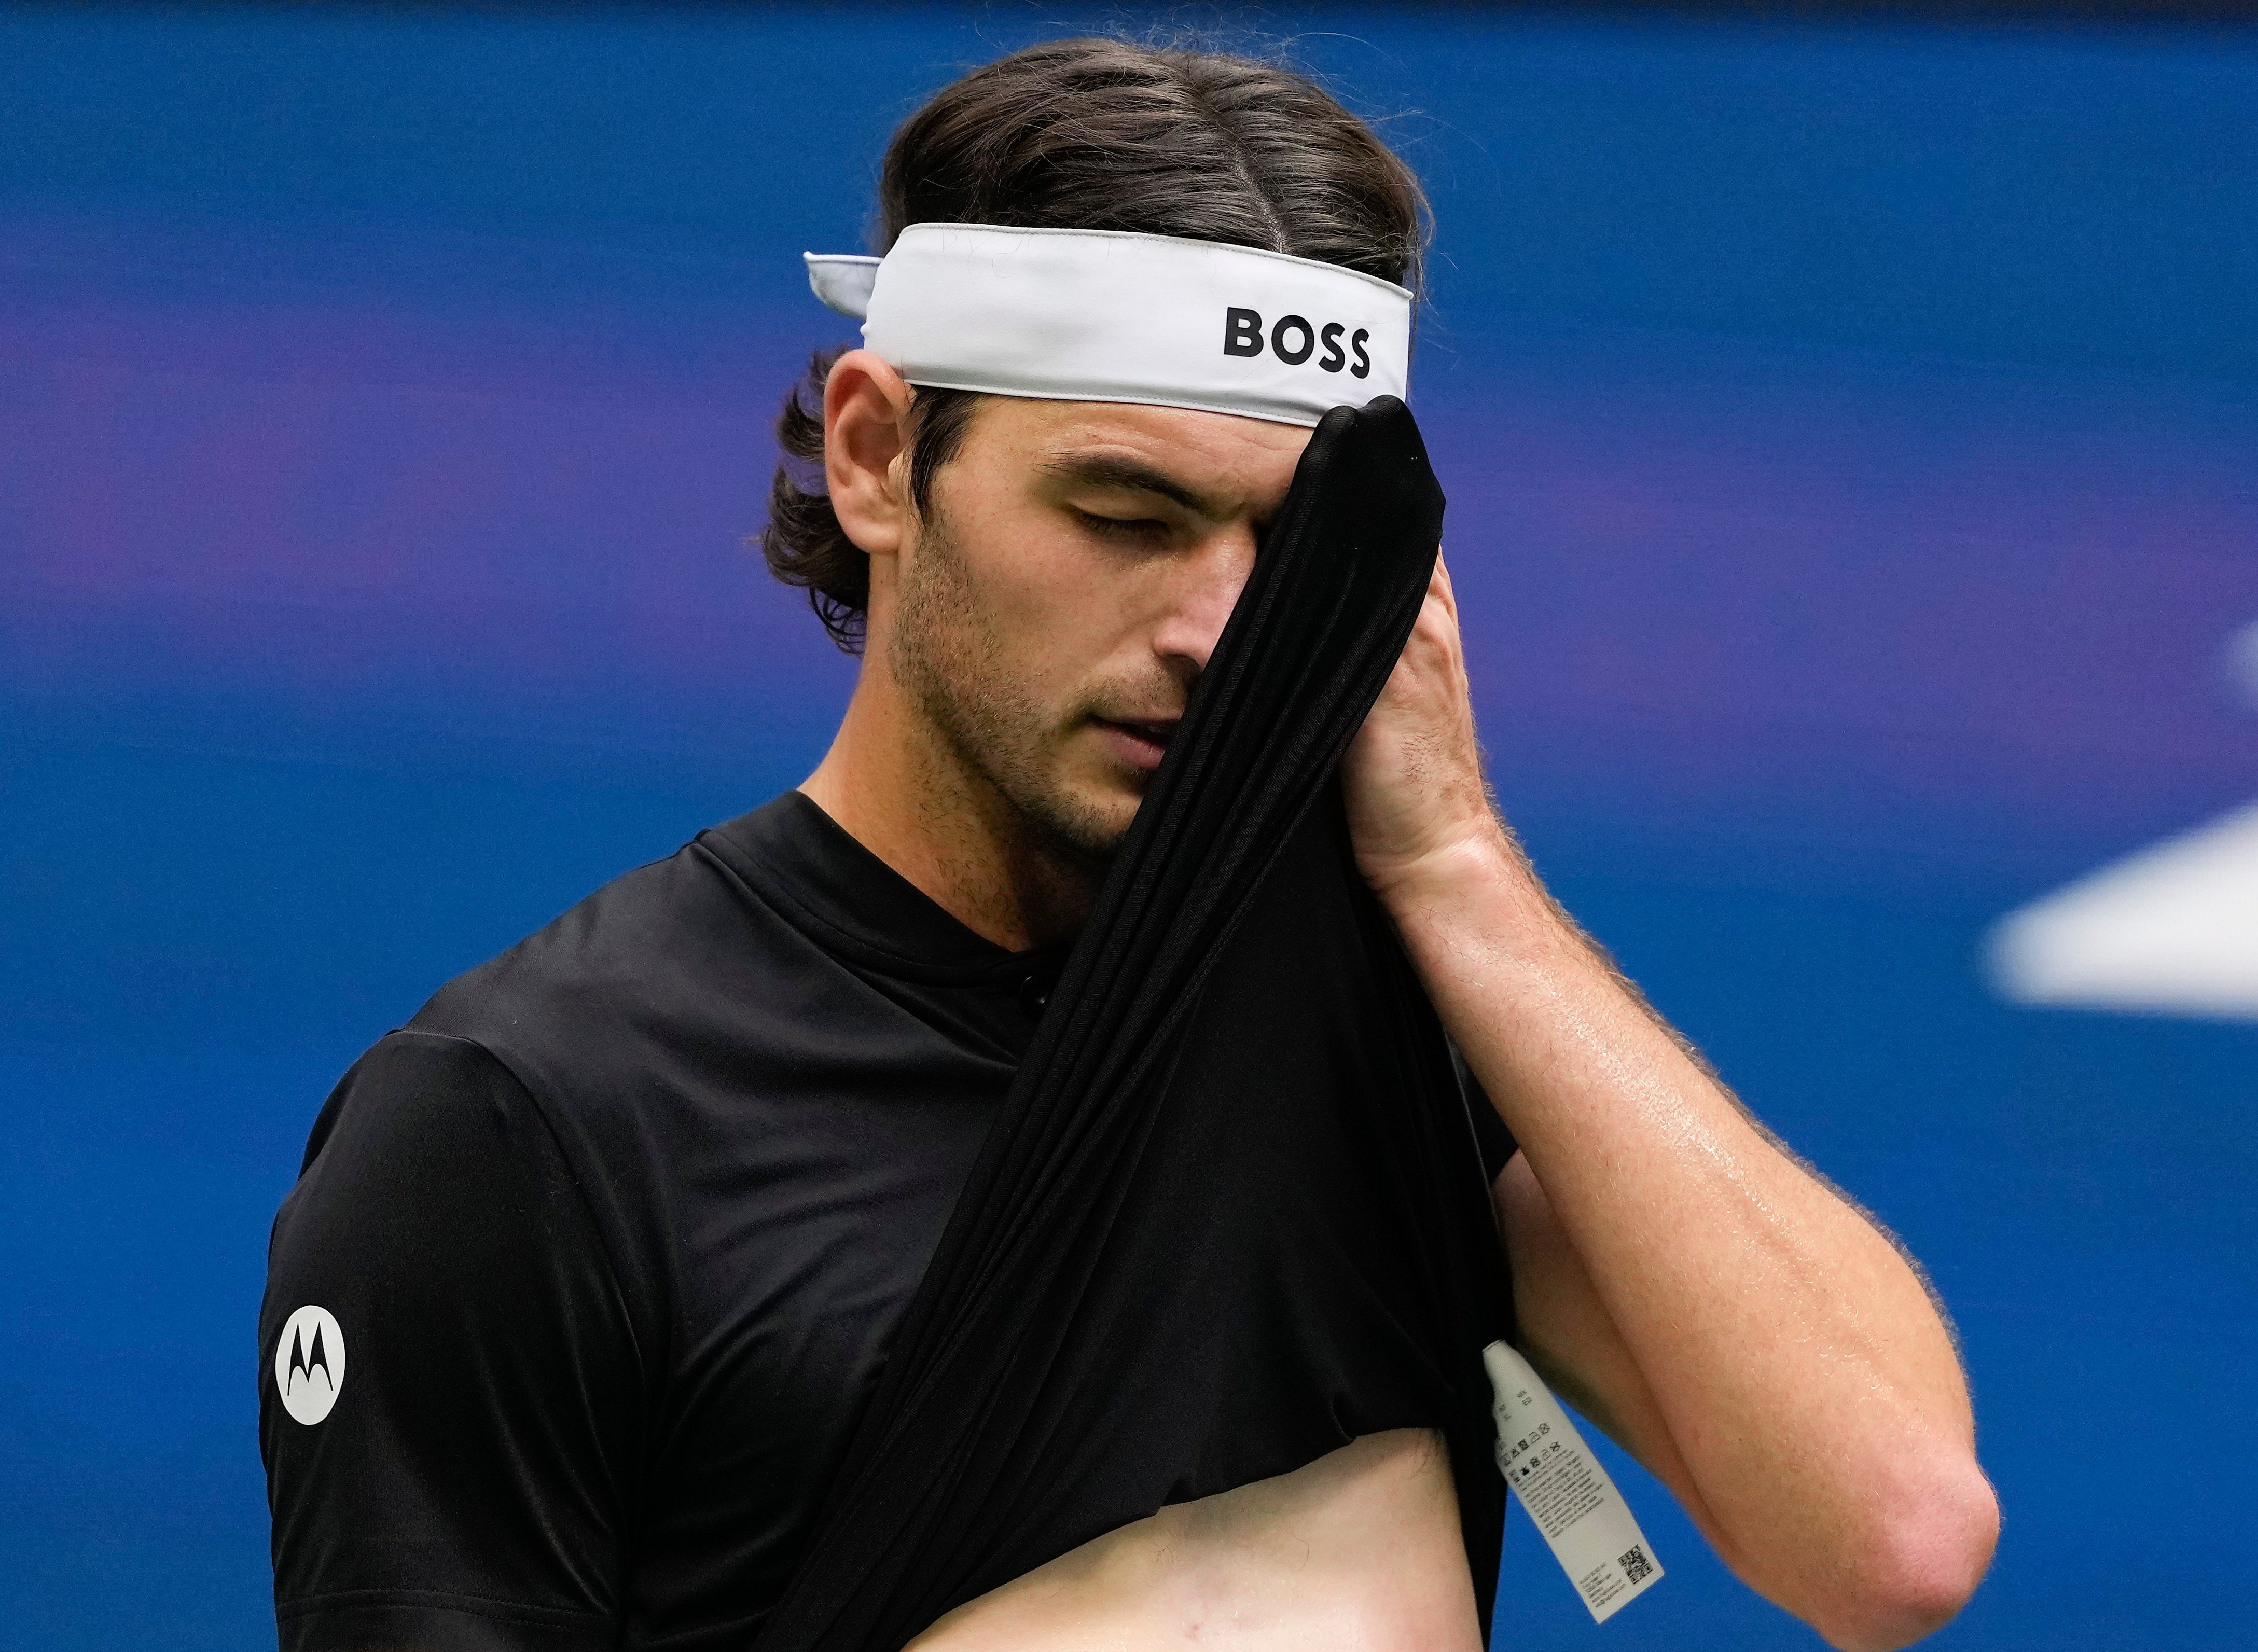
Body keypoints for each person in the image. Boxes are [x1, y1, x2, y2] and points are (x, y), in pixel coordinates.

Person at [259, 36, 1999, 1652]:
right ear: (878, 455)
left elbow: (1889, 1536)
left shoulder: (1393, 1028)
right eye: (1123, 515)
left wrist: (1456, 863)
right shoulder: (524, 1125)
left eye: (1292, 546)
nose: (1216, 629)